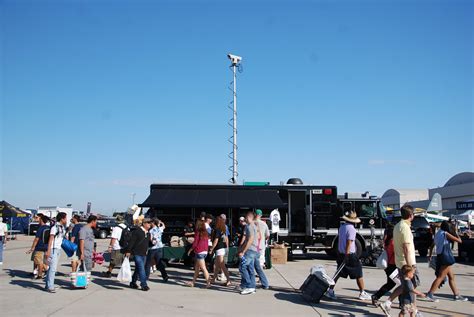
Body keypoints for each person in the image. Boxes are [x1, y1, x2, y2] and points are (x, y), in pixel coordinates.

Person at [380, 205, 419, 316]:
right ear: (411, 215)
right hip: (407, 262)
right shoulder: (405, 228)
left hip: (400, 261)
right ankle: (412, 309)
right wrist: (410, 266)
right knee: (411, 286)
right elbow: (406, 248)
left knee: (405, 286)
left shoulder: (398, 225)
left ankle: (391, 303)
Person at [326, 211, 371, 300]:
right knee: (359, 273)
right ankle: (362, 292)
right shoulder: (352, 229)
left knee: (338, 273)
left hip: (341, 253)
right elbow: (349, 243)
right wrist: (347, 255)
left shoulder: (342, 227)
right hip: (349, 255)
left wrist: (341, 253)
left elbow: (341, 241)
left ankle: (330, 291)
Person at [425, 221, 468, 302]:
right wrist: (455, 232)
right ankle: (430, 294)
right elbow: (459, 241)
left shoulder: (438, 233)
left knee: (451, 276)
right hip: (446, 257)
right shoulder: (445, 233)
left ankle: (456, 294)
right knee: (441, 277)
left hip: (440, 256)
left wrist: (430, 255)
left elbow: (432, 246)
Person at [372, 225, 397, 306]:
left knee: (391, 284)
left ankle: (376, 296)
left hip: (388, 266)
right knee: (399, 284)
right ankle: (402, 303)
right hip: (393, 265)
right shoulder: (393, 242)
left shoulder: (388, 241)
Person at [125, 218, 152, 291]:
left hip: (144, 254)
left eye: (150, 223)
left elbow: (148, 244)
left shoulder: (148, 233)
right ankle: (144, 284)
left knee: (138, 269)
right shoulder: (137, 231)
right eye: (148, 223)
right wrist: (128, 251)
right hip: (137, 253)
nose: (150, 224)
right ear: (144, 224)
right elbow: (132, 242)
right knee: (141, 268)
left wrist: (152, 242)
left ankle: (133, 282)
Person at [45, 212, 68, 293]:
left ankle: (48, 285)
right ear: (62, 219)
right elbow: (51, 239)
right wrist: (48, 251)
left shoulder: (62, 227)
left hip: (58, 249)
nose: (66, 219)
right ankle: (50, 286)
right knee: (53, 269)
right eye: (65, 218)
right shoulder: (55, 227)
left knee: (51, 268)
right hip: (53, 249)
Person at [238, 210, 259, 295]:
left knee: (242, 267)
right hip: (253, 250)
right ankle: (250, 286)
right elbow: (247, 240)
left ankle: (249, 286)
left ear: (249, 217)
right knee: (250, 269)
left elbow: (250, 240)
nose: (245, 219)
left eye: (246, 217)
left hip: (250, 250)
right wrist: (241, 248)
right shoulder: (251, 226)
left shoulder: (250, 226)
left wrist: (243, 251)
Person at [186, 219, 211, 287]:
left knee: (203, 268)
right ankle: (193, 282)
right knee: (197, 268)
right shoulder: (205, 232)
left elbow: (195, 243)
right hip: (205, 251)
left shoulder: (198, 232)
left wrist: (190, 250)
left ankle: (208, 283)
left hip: (199, 251)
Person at [209, 216, 231, 286]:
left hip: (219, 249)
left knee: (222, 265)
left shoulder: (217, 230)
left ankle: (229, 280)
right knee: (217, 265)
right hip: (221, 248)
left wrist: (211, 248)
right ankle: (213, 279)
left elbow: (216, 240)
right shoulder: (222, 229)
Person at [26, 215, 49, 279]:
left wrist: (32, 248)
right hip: (46, 247)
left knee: (39, 262)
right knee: (44, 261)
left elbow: (36, 239)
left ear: (41, 220)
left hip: (39, 247)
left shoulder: (41, 228)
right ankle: (45, 272)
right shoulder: (48, 227)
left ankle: (40, 275)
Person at [254, 209, 270, 289]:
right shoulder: (264, 224)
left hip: (253, 245)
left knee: (252, 262)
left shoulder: (252, 223)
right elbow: (267, 235)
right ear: (260, 215)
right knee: (260, 262)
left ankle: (253, 280)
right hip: (261, 245)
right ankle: (261, 279)